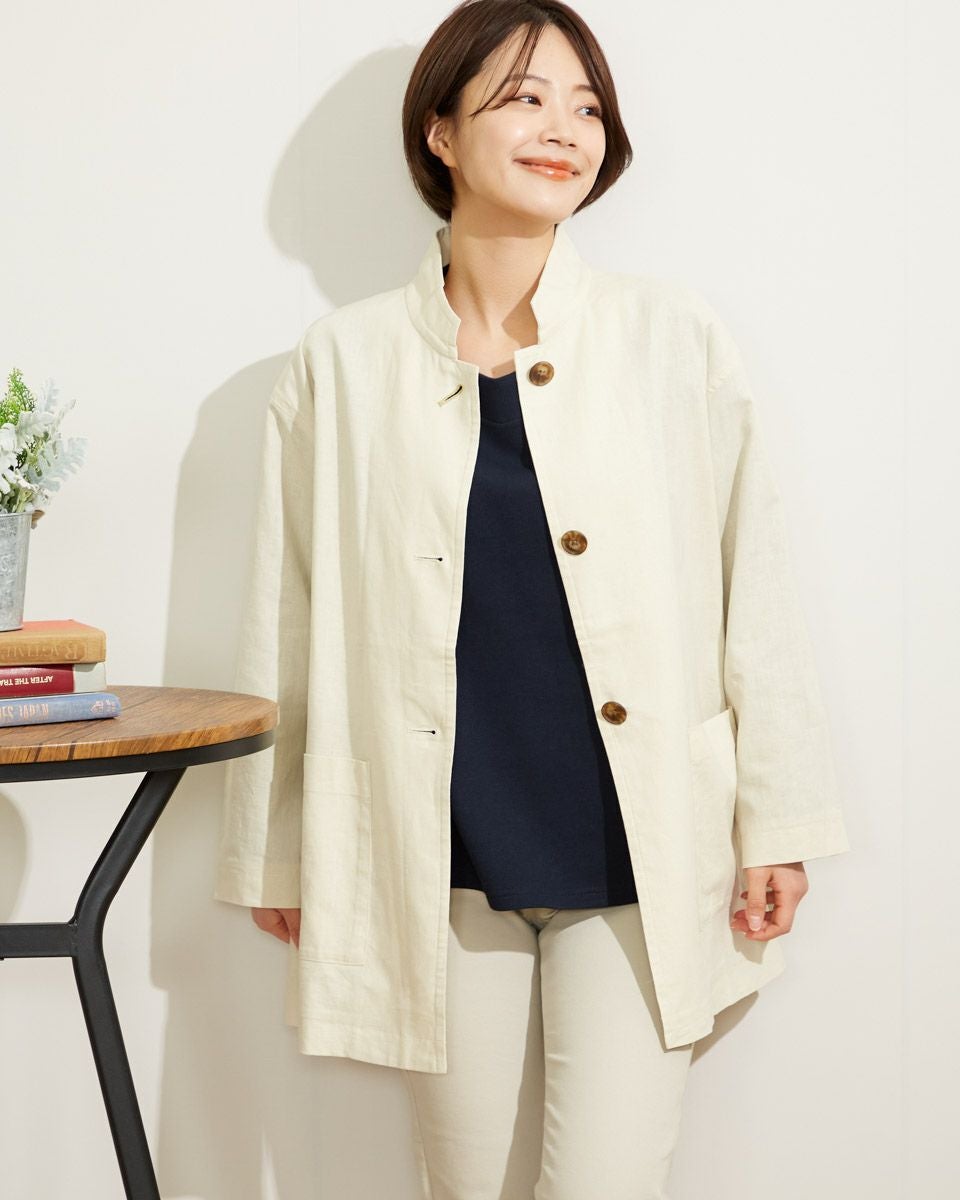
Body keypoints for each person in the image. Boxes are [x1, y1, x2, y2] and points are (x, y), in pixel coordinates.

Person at [217, 2, 851, 1197]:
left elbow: (752, 583)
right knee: (465, 1186)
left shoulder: (672, 338)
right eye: (523, 97)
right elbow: (284, 617)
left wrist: (779, 821)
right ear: (441, 132)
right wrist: (280, 851)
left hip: (640, 836)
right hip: (436, 848)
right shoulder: (343, 362)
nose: (564, 128)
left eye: (586, 106)